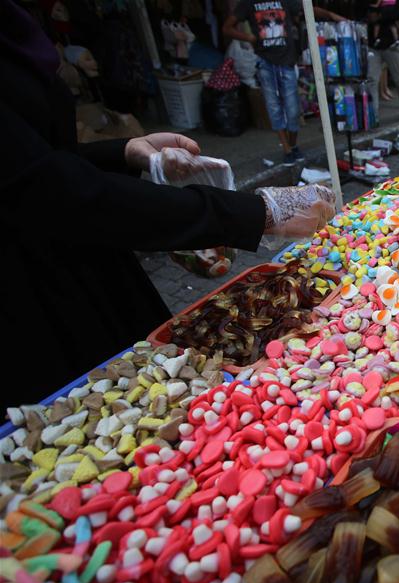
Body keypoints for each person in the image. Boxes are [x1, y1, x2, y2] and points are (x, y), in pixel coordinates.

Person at [1, 0, 336, 405]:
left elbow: (44, 160)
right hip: (33, 303)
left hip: (84, 262)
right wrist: (257, 212)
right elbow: (49, 192)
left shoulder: (14, 25)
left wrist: (124, 151)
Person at [223, 1, 345, 163]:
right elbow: (227, 28)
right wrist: (249, 37)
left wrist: (332, 16)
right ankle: (288, 149)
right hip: (265, 62)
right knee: (274, 108)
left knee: (293, 109)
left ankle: (292, 146)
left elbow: (309, 9)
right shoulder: (248, 3)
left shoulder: (285, 1)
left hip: (287, 62)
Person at [367, 7, 399, 122]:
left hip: (390, 48)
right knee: (372, 79)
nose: (370, 16)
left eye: (372, 14)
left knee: (398, 79)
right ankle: (374, 116)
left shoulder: (388, 14)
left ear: (378, 14)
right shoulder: (371, 20)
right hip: (375, 49)